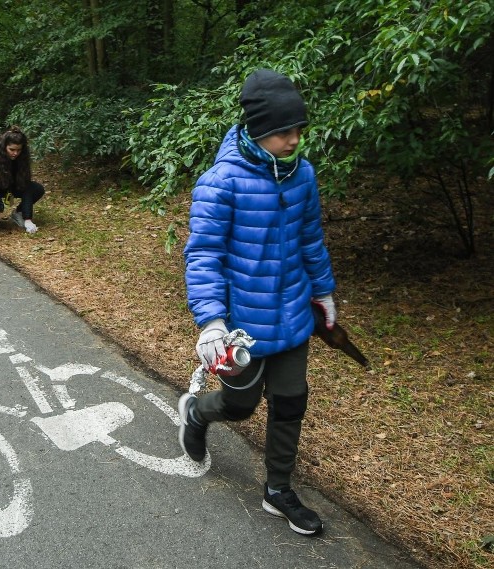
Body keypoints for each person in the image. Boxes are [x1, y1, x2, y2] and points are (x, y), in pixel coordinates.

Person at [178, 68, 337, 536]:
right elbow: (203, 255)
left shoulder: (302, 173)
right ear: (258, 129)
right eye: (284, 131)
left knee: (291, 402)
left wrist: (323, 291)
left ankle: (278, 491)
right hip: (240, 328)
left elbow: (311, 238)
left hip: (291, 314)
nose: (294, 139)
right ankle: (196, 412)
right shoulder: (220, 183)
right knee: (240, 406)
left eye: (299, 130)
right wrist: (211, 322)